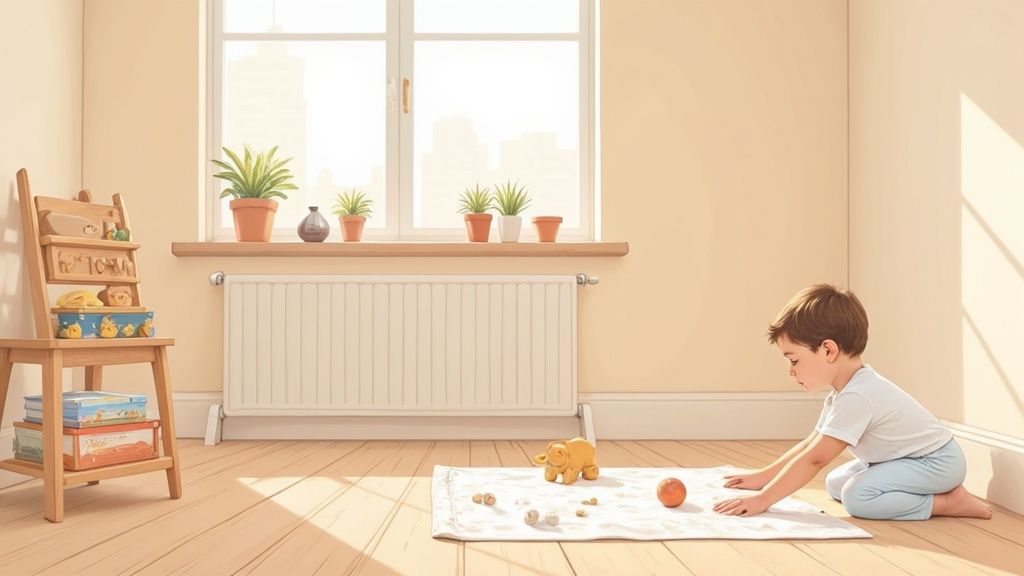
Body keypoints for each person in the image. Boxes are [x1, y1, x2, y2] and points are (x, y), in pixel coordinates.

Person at [713, 283, 991, 520]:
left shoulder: (858, 396)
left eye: (794, 360)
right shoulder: (844, 392)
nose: (791, 371)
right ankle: (930, 494)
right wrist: (763, 476)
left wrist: (763, 500)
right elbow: (811, 445)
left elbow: (816, 459)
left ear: (828, 350)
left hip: (935, 463)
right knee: (835, 484)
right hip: (902, 460)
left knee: (858, 497)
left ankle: (948, 503)